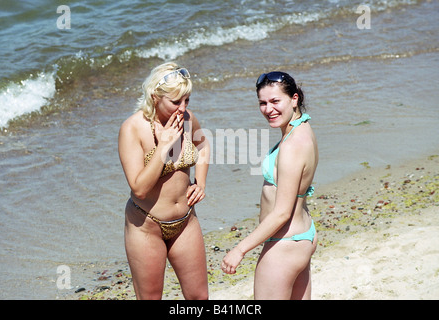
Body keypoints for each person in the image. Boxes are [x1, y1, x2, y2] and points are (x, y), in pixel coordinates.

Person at [221, 71, 318, 300]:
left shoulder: (293, 144)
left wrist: (240, 249)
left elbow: (282, 212)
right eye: (262, 103)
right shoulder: (303, 129)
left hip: (284, 245)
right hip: (302, 236)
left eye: (275, 101)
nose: (268, 109)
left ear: (294, 99)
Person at [118, 62, 210, 300]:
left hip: (186, 222)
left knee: (199, 297)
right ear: (154, 96)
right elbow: (139, 188)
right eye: (176, 102)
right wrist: (165, 145)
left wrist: (200, 182)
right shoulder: (132, 128)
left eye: (187, 100)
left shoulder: (187, 119)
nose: (183, 108)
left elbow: (204, 144)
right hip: (146, 226)